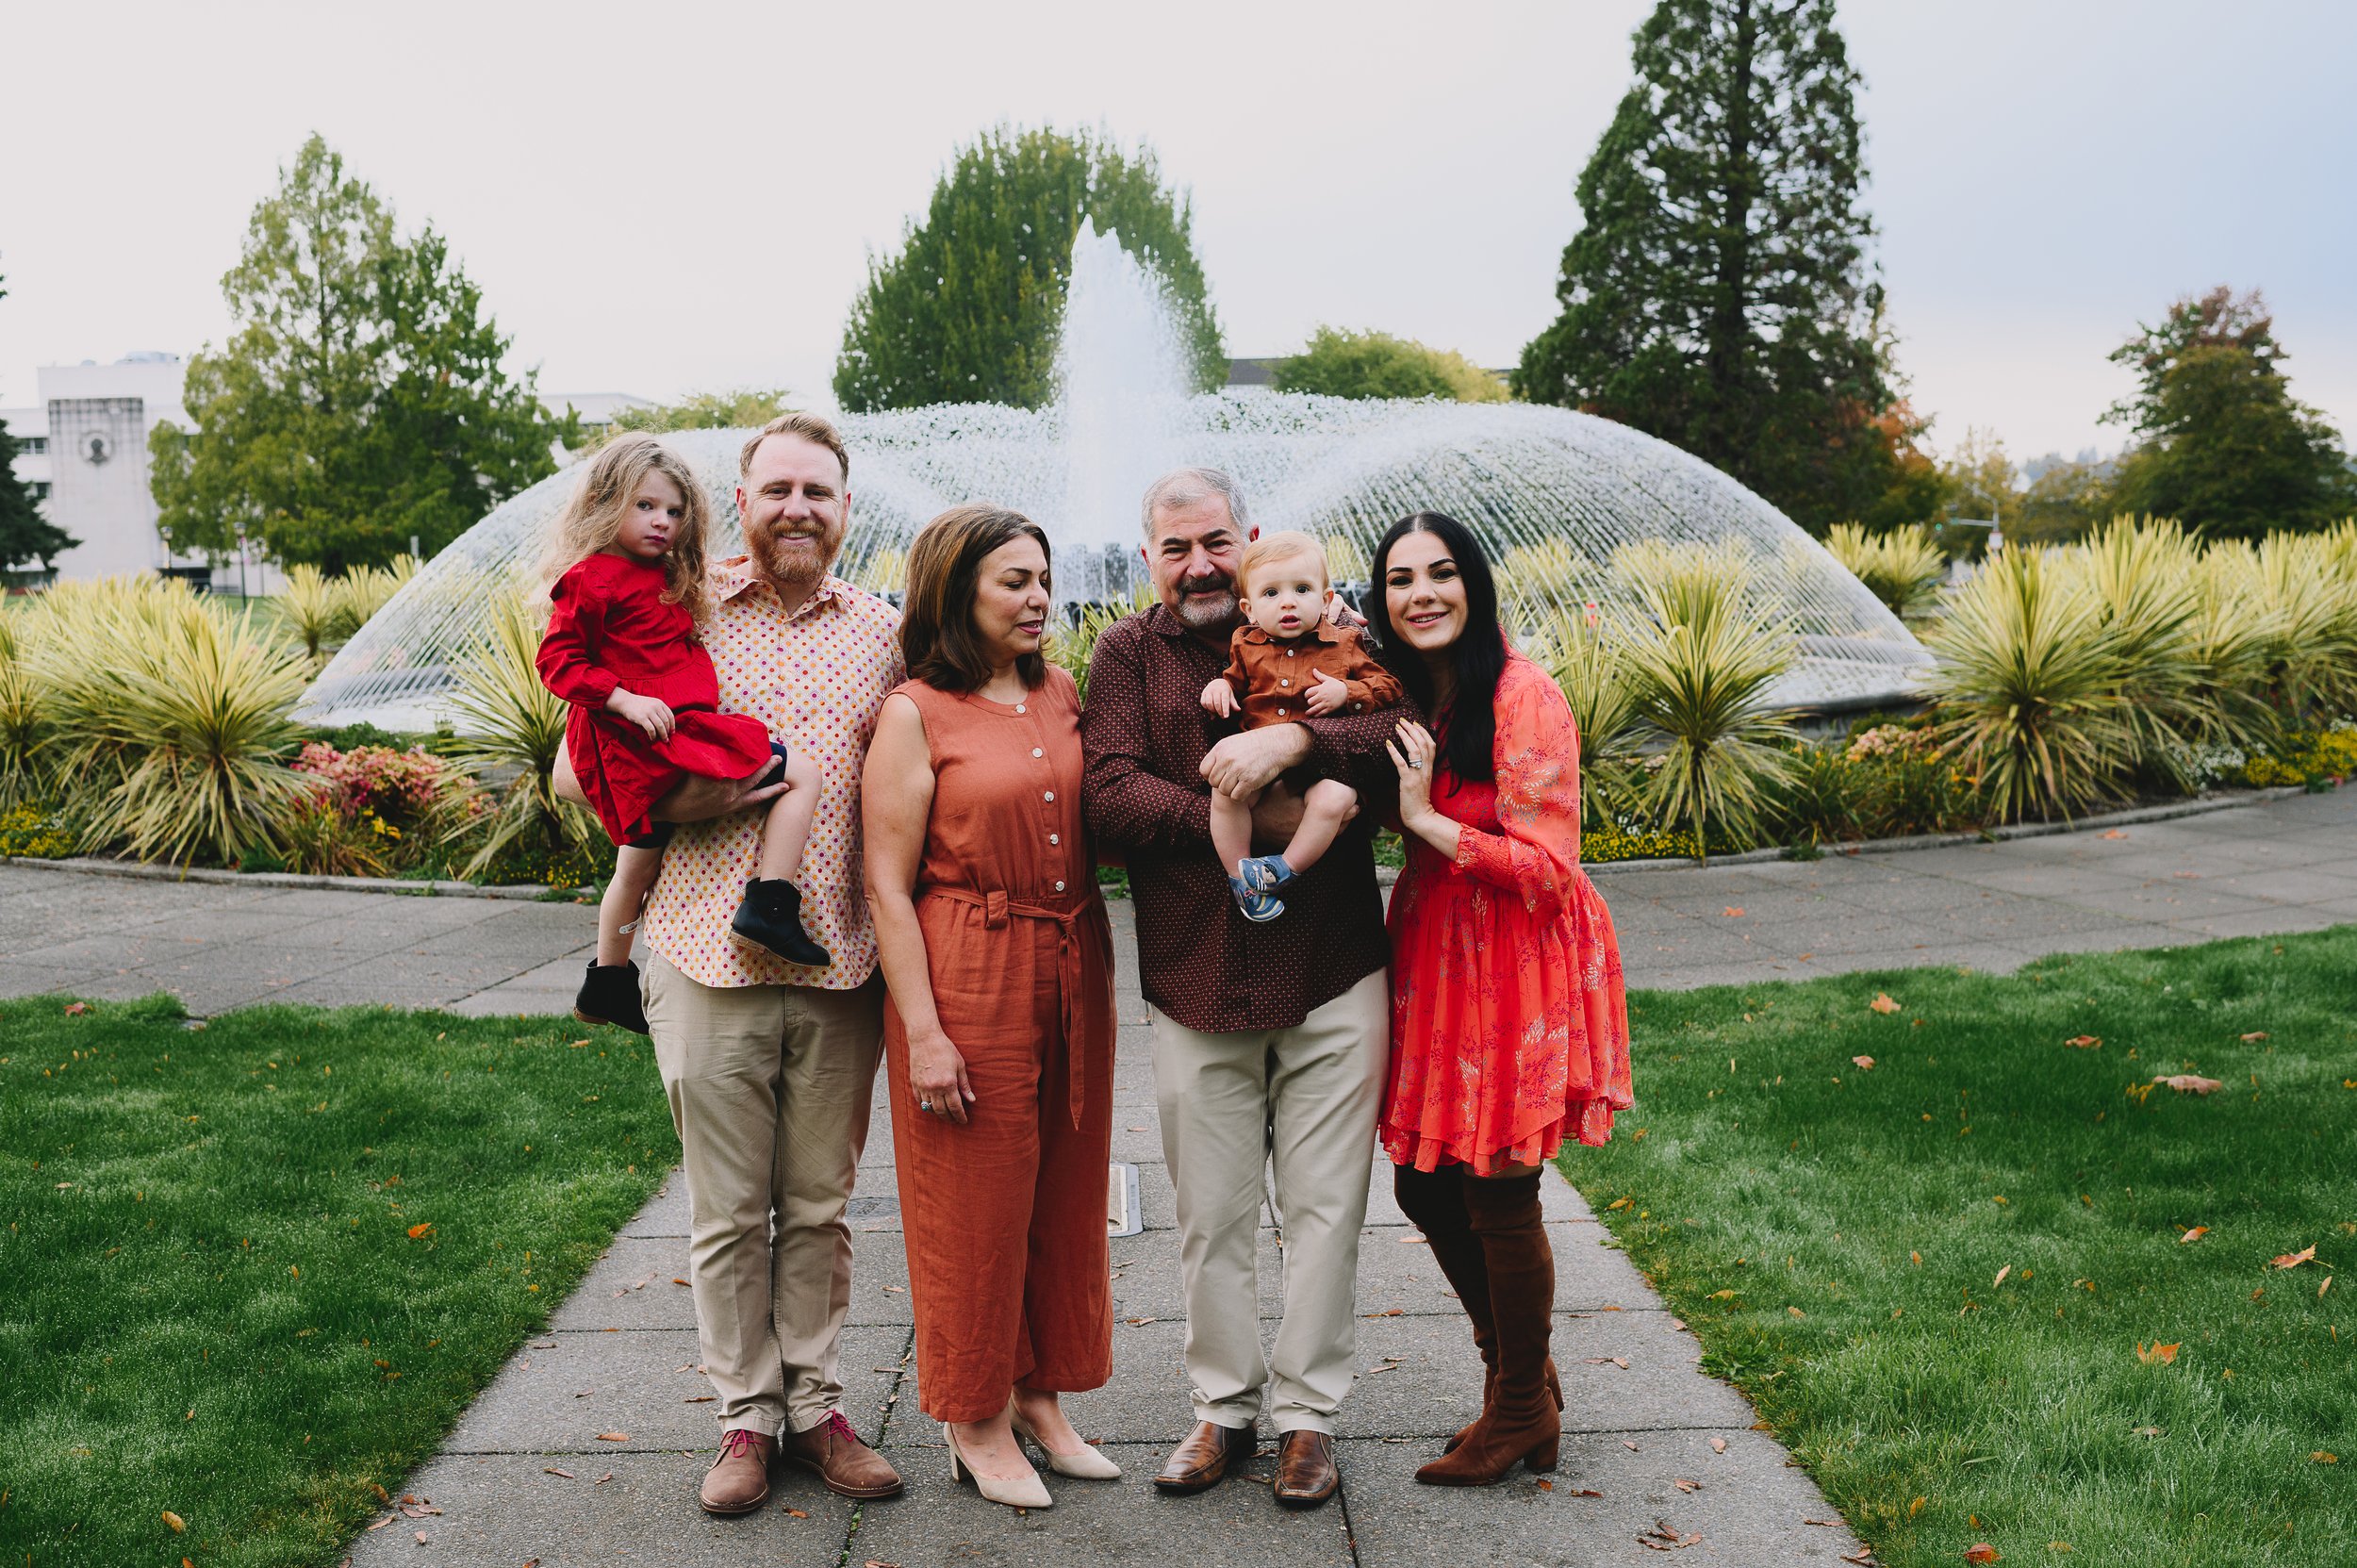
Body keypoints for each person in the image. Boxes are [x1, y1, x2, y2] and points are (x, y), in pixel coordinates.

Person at [553, 412, 905, 1514]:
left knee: (816, 1204)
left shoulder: (884, 633)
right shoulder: (676, 605)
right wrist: (693, 795)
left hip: (840, 957)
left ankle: (817, 1408)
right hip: (703, 952)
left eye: (819, 491)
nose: (797, 508)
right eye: (777, 489)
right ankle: (745, 1419)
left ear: (847, 508)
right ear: (740, 502)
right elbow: (573, 775)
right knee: (724, 1210)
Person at [1081, 467, 1407, 1510]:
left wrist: (1297, 737)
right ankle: (1223, 1408)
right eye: (1174, 549)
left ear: (1251, 540)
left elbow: (1393, 740)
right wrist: (1241, 812)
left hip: (1330, 969)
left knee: (1326, 1209)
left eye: (1215, 542)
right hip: (1197, 975)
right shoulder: (1128, 654)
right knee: (1210, 1216)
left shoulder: (1336, 631)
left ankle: (1308, 1420)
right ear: (1149, 559)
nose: (1200, 565)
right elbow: (1109, 789)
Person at [862, 504, 1119, 1512]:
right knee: (972, 1204)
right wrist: (924, 1030)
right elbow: (885, 885)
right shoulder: (914, 711)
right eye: (1014, 579)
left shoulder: (1060, 690)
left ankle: (1038, 1396)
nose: (1039, 597)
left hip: (1070, 958)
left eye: (1043, 578)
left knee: (1061, 1188)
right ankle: (972, 1419)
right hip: (967, 964)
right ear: (955, 588)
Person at [1369, 511, 1633, 1487]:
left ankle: (1519, 1404)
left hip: (1514, 954)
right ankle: (1520, 1386)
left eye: (1441, 573)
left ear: (1474, 584)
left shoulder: (1524, 696)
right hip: (1442, 950)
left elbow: (1549, 871)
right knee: (1422, 1180)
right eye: (1401, 579)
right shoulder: (1412, 692)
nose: (1422, 593)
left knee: (1496, 1184)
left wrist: (1425, 823)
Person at [536, 435, 829, 1037]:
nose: (662, 522)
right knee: (800, 771)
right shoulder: (592, 580)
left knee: (636, 868)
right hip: (645, 735)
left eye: (674, 511)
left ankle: (607, 981)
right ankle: (770, 903)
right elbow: (557, 662)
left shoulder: (669, 577)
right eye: (645, 507)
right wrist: (622, 698)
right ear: (604, 502)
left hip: (662, 730)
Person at [1198, 530, 1402, 921]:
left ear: (1326, 600)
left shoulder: (1345, 643)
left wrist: (1347, 692)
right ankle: (1241, 878)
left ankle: (1284, 868)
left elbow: (1389, 687)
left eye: (1303, 589)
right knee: (1224, 793)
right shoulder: (1245, 643)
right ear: (1250, 608)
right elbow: (1233, 679)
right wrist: (1219, 686)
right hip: (1258, 766)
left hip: (1320, 768)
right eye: (1271, 593)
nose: (1288, 601)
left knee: (1338, 798)